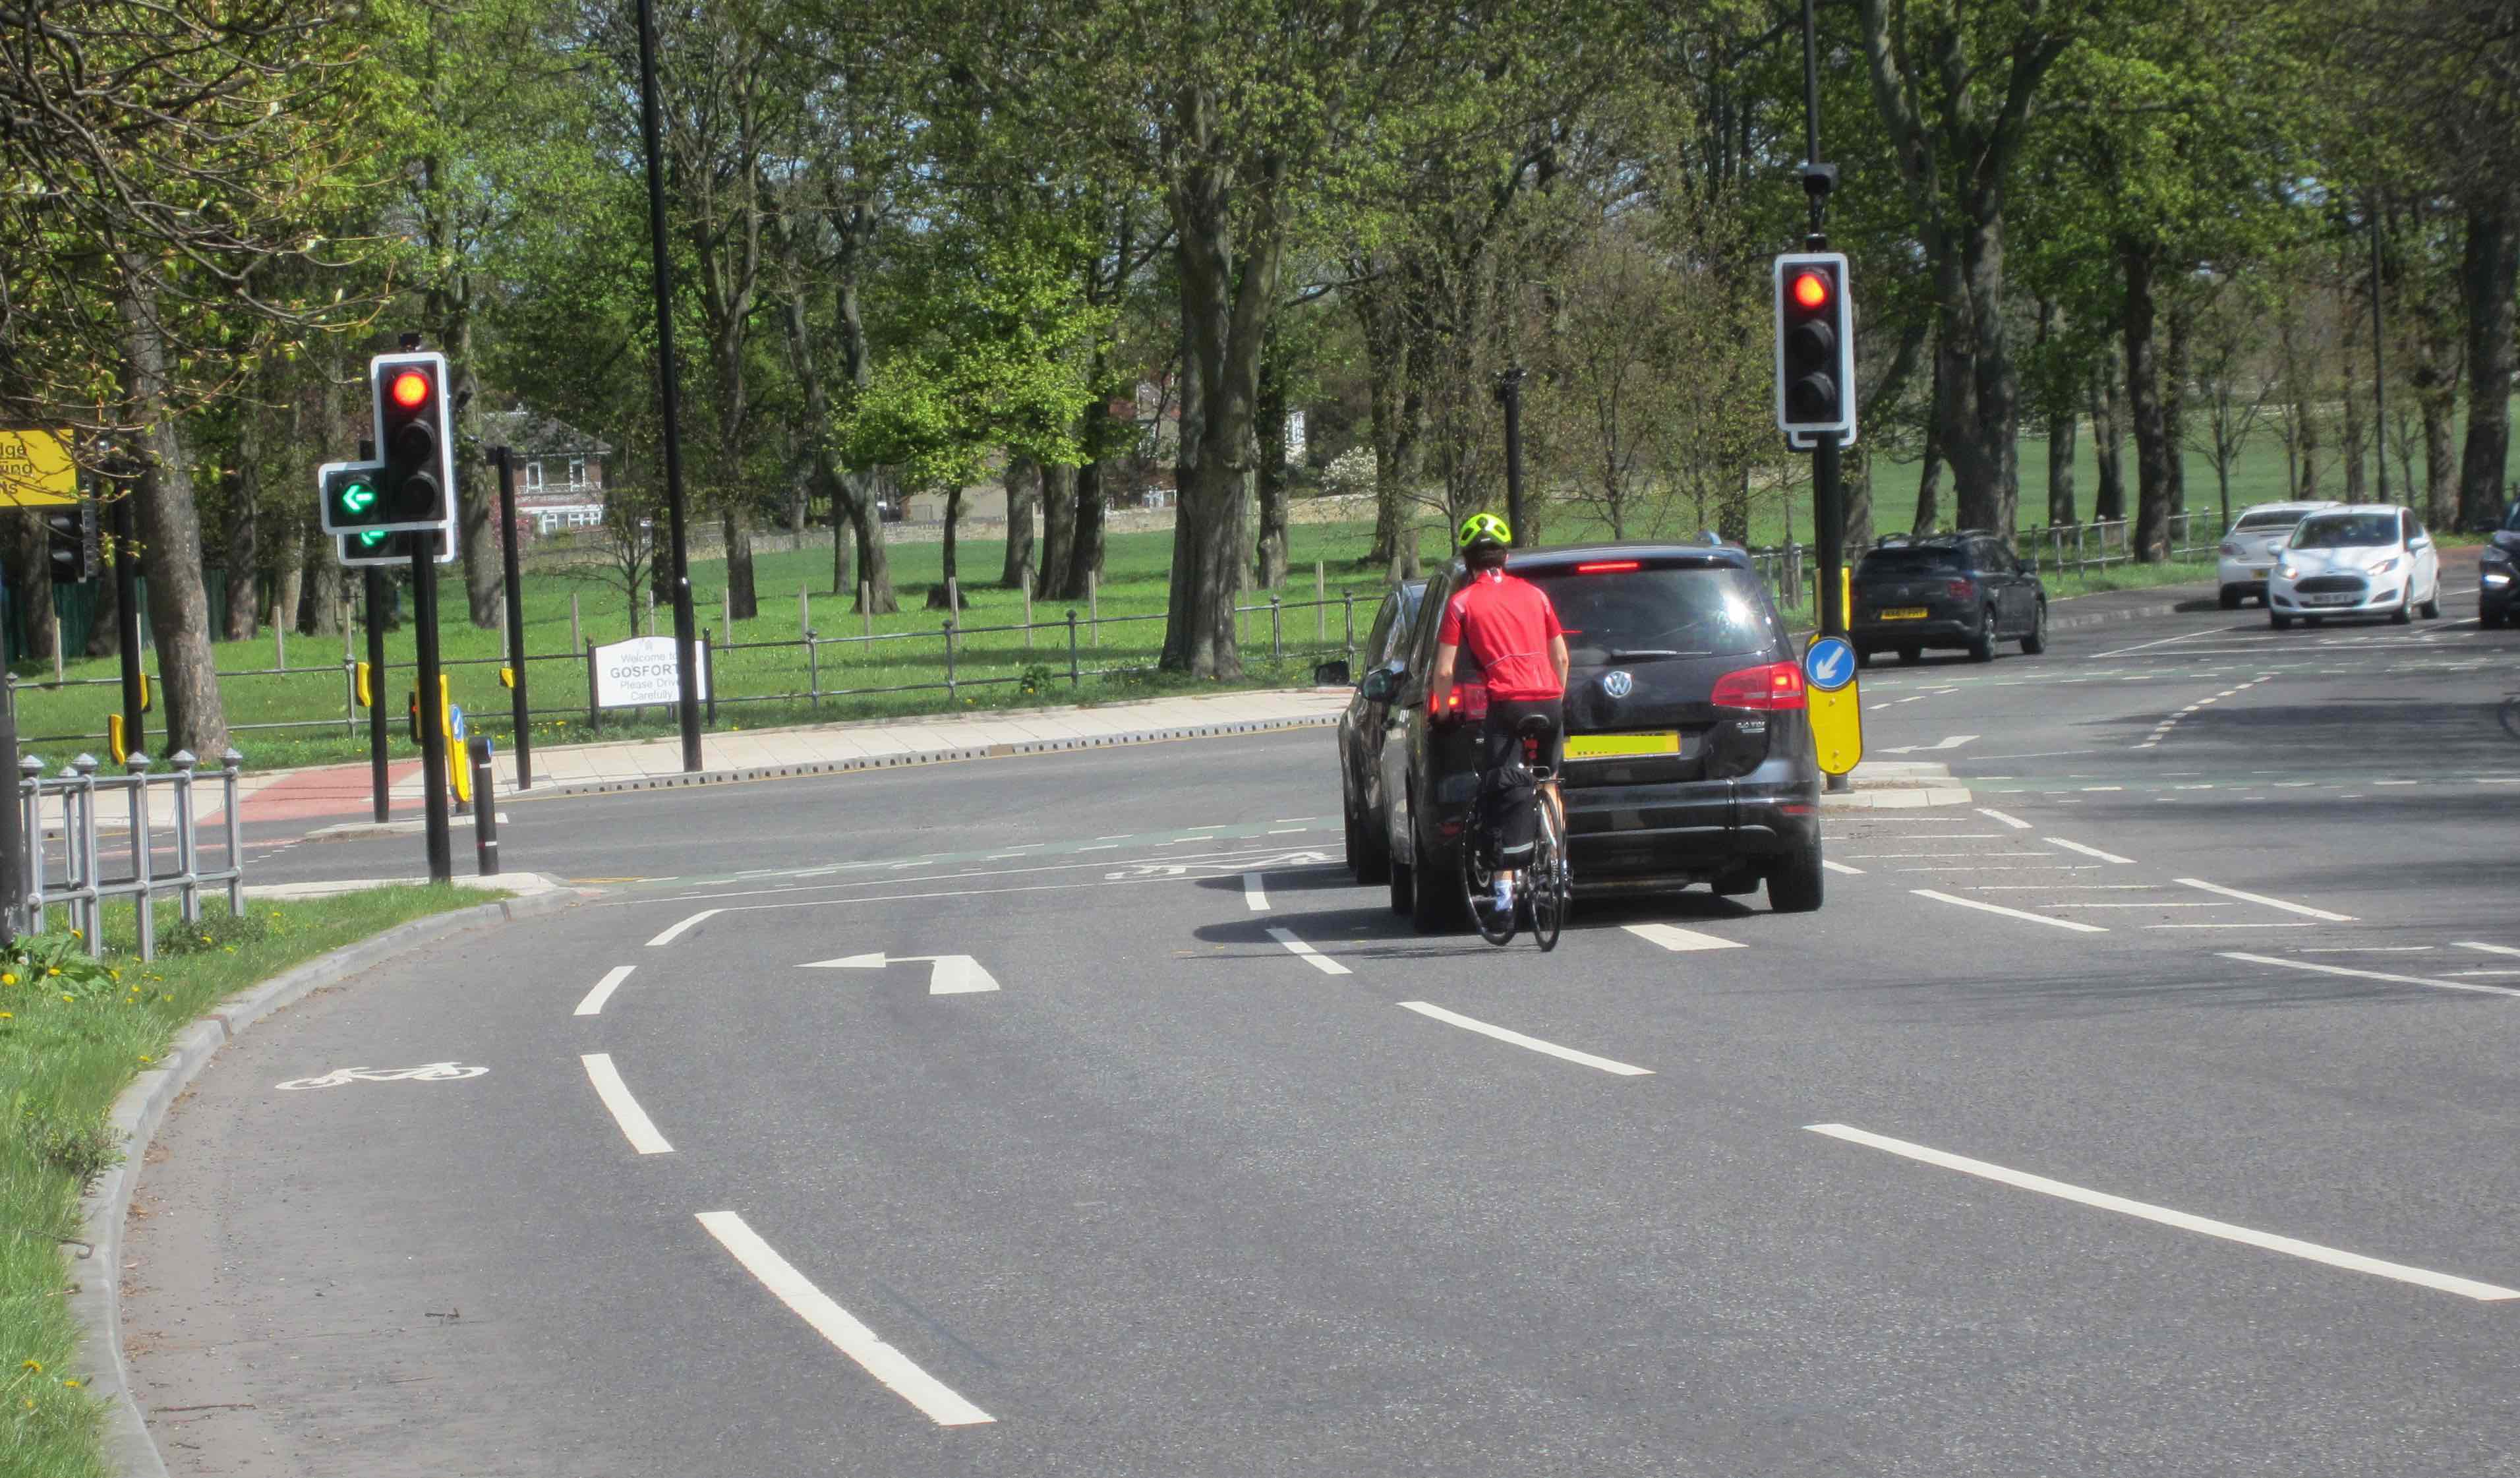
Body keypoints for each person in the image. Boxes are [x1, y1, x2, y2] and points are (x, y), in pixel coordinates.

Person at [1428, 512, 1569, 917]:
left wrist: (1440, 715)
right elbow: (1560, 655)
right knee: (1549, 781)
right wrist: (1557, 698)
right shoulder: (1536, 595)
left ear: (1468, 562)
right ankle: (1558, 864)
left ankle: (1505, 895)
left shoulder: (1461, 603)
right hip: (1548, 700)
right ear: (1504, 558)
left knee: (1502, 788)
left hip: (1507, 704)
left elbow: (1443, 671)